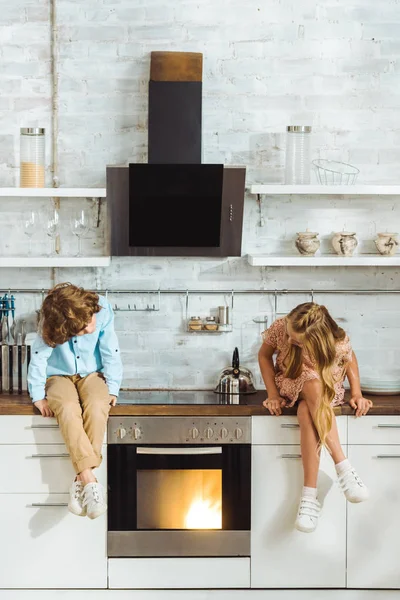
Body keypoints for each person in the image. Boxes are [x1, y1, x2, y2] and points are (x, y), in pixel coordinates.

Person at [258, 302, 372, 533]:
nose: (289, 341)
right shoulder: (283, 326)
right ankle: (344, 467)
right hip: (290, 381)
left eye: (297, 341)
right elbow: (264, 356)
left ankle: (309, 496)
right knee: (310, 381)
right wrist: (271, 393)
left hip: (326, 384)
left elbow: (350, 359)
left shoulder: (337, 341)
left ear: (317, 340)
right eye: (290, 336)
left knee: (305, 411)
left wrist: (357, 393)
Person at [27, 283, 123, 520]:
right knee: (68, 408)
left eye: (89, 321)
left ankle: (80, 479)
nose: (91, 329)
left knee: (98, 405)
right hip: (58, 375)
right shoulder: (51, 323)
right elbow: (39, 358)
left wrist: (113, 386)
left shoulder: (102, 310)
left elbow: (111, 350)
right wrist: (38, 395)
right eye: (82, 329)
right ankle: (89, 480)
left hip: (93, 374)